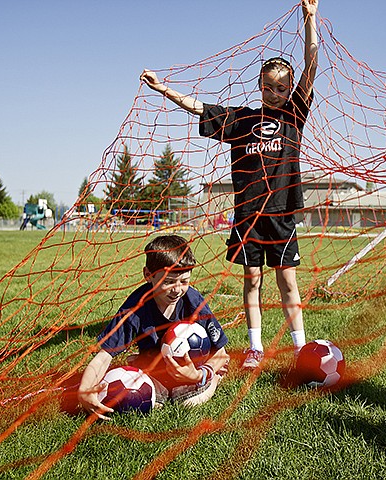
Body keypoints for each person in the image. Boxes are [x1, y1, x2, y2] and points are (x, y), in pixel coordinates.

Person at [140, 0, 319, 369]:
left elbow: (312, 63)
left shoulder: (293, 114)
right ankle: (255, 348)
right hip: (248, 215)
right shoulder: (240, 120)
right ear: (260, 86)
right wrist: (163, 90)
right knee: (252, 280)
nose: (276, 93)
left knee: (287, 283)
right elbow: (199, 108)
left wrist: (310, 19)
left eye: (282, 87)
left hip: (281, 215)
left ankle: (301, 348)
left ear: (289, 89)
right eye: (270, 87)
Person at [78, 234, 229, 419]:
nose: (177, 289)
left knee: (189, 403)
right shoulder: (136, 307)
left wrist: (201, 375)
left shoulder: (194, 301)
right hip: (157, 372)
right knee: (145, 402)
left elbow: (221, 355)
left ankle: (212, 381)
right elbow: (104, 355)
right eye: (168, 282)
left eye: (184, 281)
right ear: (148, 275)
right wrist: (85, 390)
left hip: (195, 370)